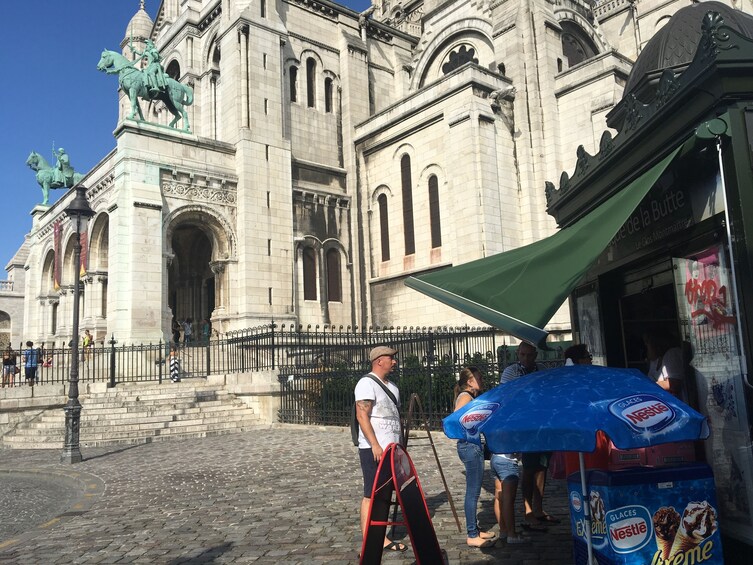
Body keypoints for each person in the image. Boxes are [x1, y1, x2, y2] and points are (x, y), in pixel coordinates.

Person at [354, 345, 407, 554]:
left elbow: (394, 418)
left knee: (384, 494)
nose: (394, 362)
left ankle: (381, 537)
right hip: (373, 450)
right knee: (371, 493)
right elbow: (362, 415)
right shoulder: (366, 384)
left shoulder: (393, 387)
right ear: (379, 361)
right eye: (390, 358)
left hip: (392, 449)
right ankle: (370, 540)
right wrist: (375, 444)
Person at [500, 342, 557, 530]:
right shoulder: (511, 372)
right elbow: (506, 397)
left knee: (542, 467)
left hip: (541, 423)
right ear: (518, 353)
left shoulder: (542, 370)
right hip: (524, 425)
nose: (525, 359)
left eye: (529, 355)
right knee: (529, 467)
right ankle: (528, 510)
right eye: (522, 355)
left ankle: (539, 508)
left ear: (535, 355)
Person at [453, 366, 497, 548]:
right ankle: (472, 534)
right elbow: (459, 419)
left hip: (473, 446)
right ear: (470, 381)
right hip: (469, 446)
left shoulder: (470, 397)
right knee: (473, 492)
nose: (482, 379)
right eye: (478, 377)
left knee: (474, 490)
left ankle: (476, 529)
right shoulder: (465, 397)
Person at [490, 451, 529, 545]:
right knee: (508, 499)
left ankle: (503, 530)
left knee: (499, 496)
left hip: (495, 457)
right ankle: (512, 535)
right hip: (507, 461)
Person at [643, 331, 687, 402]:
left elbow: (673, 384)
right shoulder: (655, 361)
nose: (646, 346)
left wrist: (646, 386)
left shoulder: (672, 354)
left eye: (647, 342)